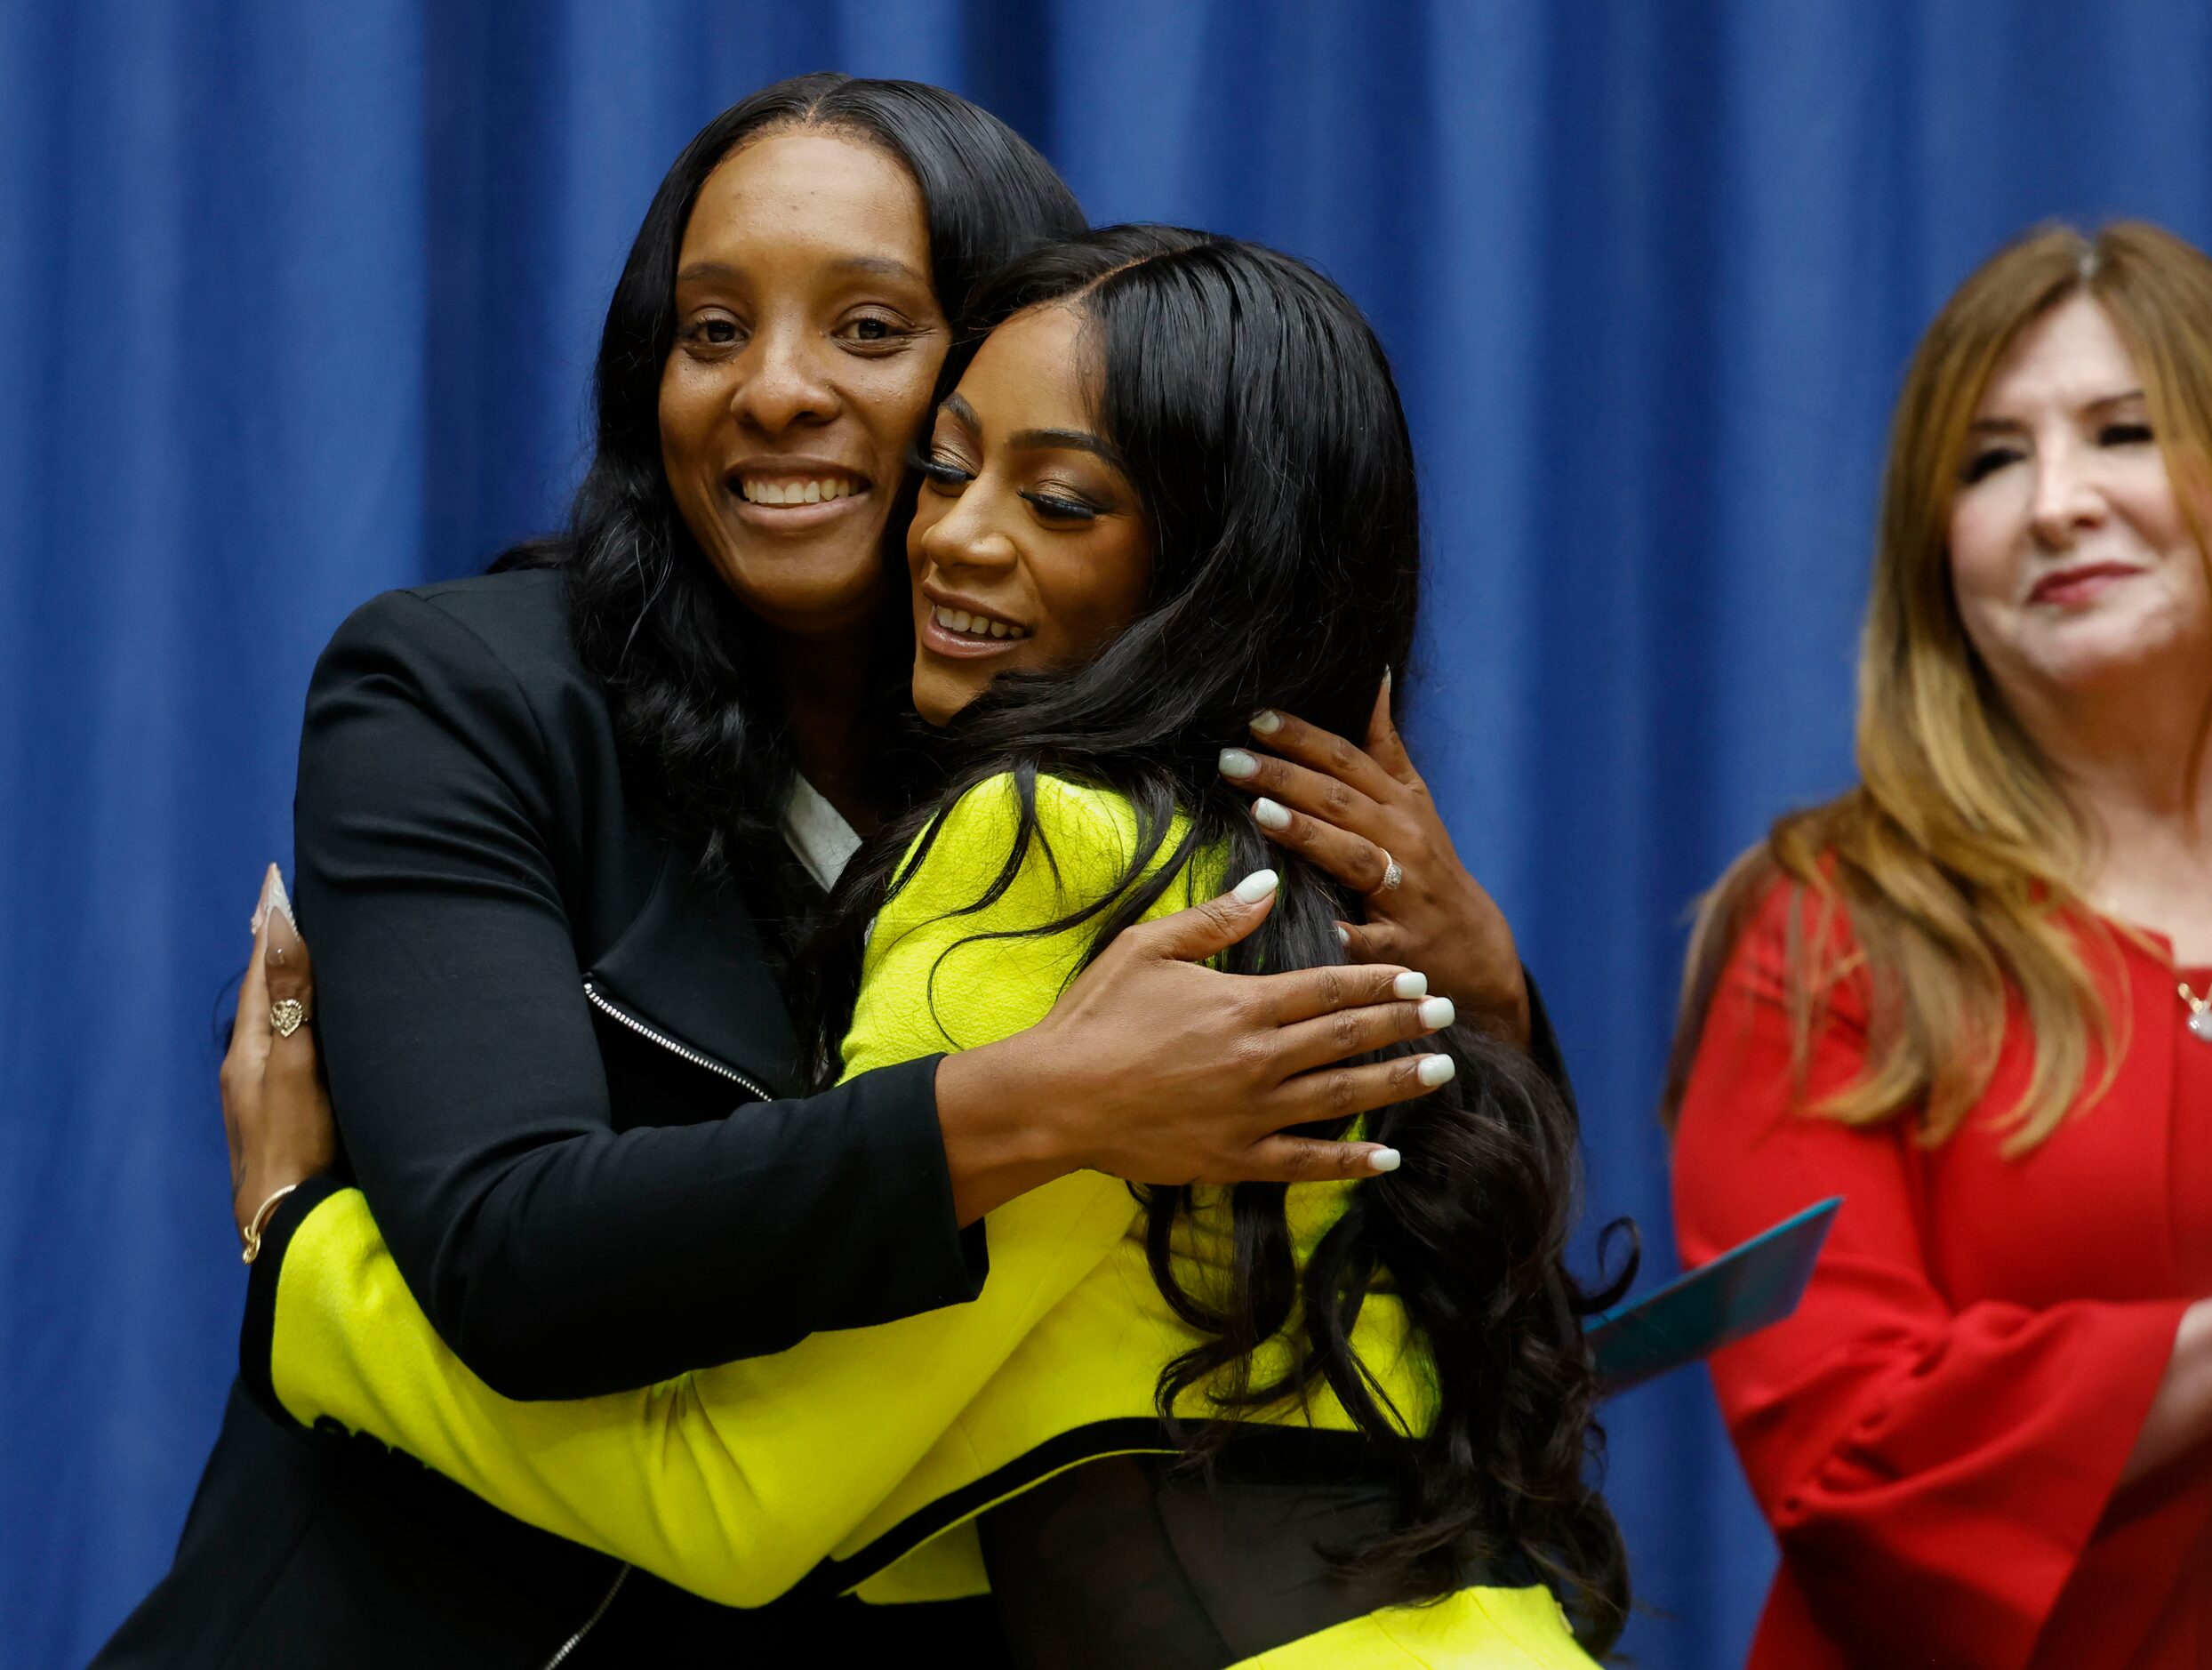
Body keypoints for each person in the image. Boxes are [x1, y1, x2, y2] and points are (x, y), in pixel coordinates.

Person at [102, 78, 1524, 1670]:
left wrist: (1489, 994)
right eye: (711, 331)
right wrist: (1029, 1104)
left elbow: (1401, 1267)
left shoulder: (1089, 804)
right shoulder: (461, 689)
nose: (771, 390)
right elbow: (511, 1248)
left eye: (866, 329)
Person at [1667, 220, 2212, 1669]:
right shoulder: (1828, 923)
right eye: (1989, 462)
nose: (2055, 504)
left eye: (2122, 434)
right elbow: (1847, 1441)